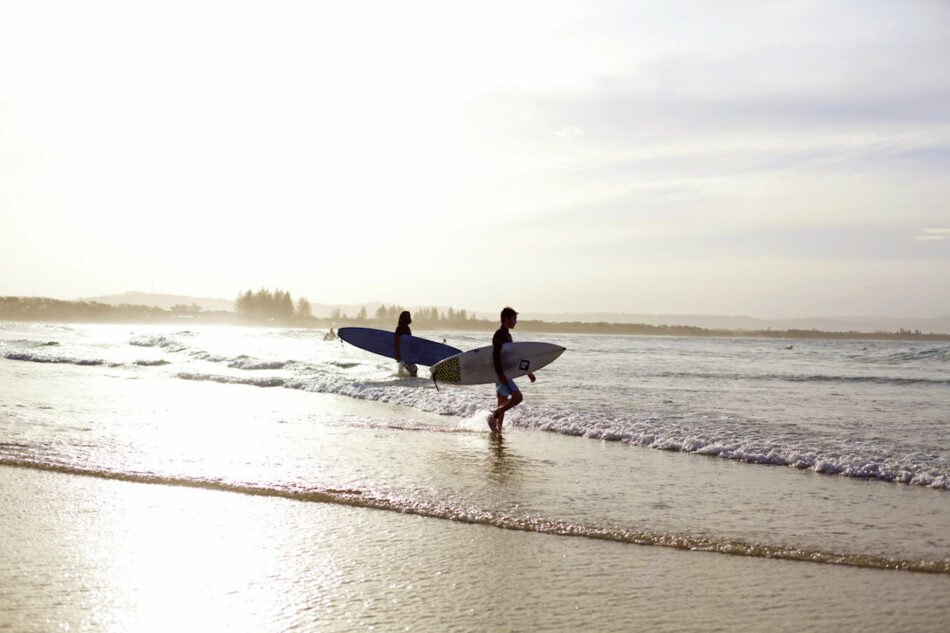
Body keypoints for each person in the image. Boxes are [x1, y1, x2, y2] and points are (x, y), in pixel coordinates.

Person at [487, 307, 534, 432]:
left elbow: (513, 357)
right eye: (514, 319)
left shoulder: (507, 334)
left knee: (502, 401)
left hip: (504, 372)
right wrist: (500, 373)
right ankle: (493, 416)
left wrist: (528, 373)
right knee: (518, 397)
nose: (515, 322)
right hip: (502, 373)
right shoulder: (500, 334)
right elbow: (495, 355)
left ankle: (498, 429)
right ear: (506, 320)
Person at [394, 311, 418, 377]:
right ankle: (411, 383)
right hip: (403, 353)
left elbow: (408, 341)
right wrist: (398, 353)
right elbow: (397, 340)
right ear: (403, 317)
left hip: (406, 352)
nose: (409, 317)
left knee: (405, 370)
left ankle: (405, 383)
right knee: (413, 369)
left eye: (409, 316)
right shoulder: (400, 327)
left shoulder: (406, 327)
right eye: (408, 316)